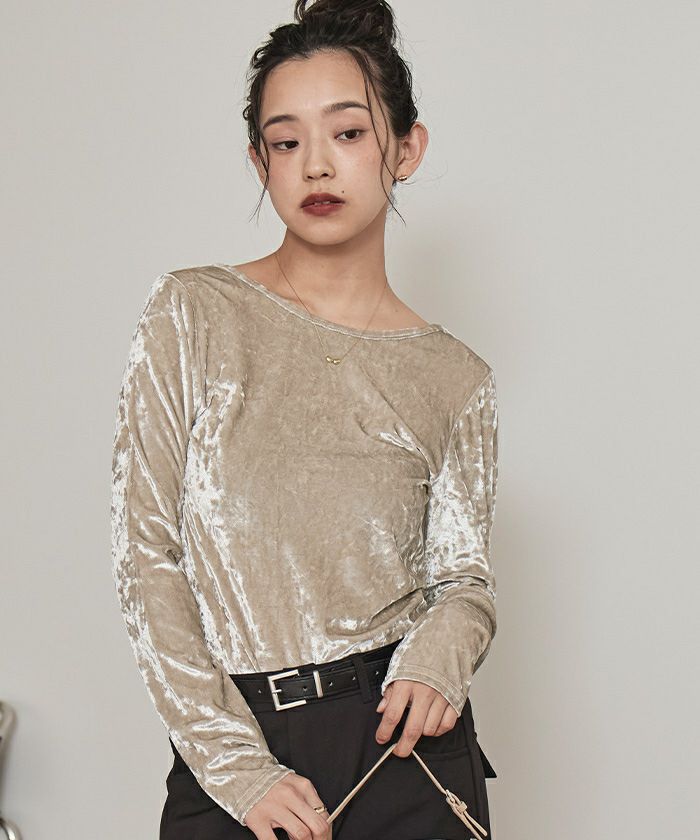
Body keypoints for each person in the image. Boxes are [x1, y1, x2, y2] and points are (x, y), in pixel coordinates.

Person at [110, 1, 499, 838]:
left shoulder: (456, 377)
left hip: (403, 751)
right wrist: (235, 766)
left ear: (407, 148)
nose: (316, 164)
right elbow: (145, 553)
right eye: (285, 143)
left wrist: (443, 653)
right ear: (260, 162)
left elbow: (463, 581)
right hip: (237, 749)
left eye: (348, 133)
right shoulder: (193, 313)